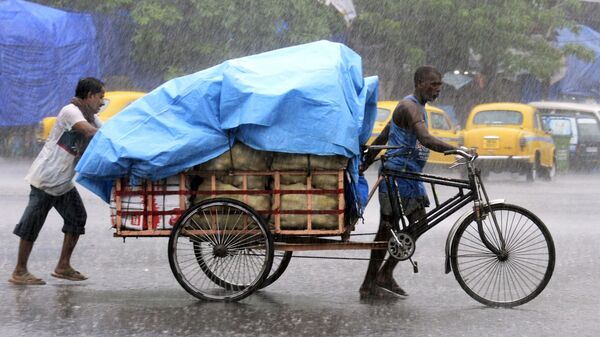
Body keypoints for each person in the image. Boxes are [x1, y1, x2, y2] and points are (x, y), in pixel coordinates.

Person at [359, 66, 461, 298]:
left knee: (411, 226)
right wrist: (456, 150)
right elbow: (424, 138)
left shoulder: (417, 107)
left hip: (409, 176)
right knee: (388, 230)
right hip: (397, 176)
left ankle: (378, 277)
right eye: (433, 84)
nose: (438, 89)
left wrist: (368, 160)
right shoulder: (409, 106)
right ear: (419, 83)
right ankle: (374, 280)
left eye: (440, 85)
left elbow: (386, 134)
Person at [9, 77, 105, 285]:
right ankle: (19, 271)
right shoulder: (70, 111)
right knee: (31, 224)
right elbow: (90, 133)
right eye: (100, 97)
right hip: (46, 178)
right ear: (89, 96)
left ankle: (63, 266)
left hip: (63, 183)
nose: (102, 102)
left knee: (77, 217)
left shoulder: (92, 117)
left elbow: (104, 132)